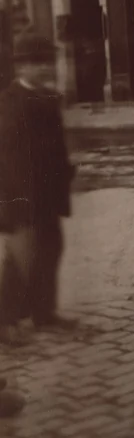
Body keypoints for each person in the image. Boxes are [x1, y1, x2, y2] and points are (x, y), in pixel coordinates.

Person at [0, 33, 77, 342]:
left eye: (48, 61)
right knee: (21, 259)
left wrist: (65, 174)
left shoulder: (47, 99)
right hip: (20, 197)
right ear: (21, 67)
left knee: (51, 250)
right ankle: (5, 323)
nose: (45, 68)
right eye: (37, 63)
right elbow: (10, 160)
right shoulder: (9, 103)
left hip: (46, 196)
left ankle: (44, 314)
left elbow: (54, 149)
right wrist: (18, 206)